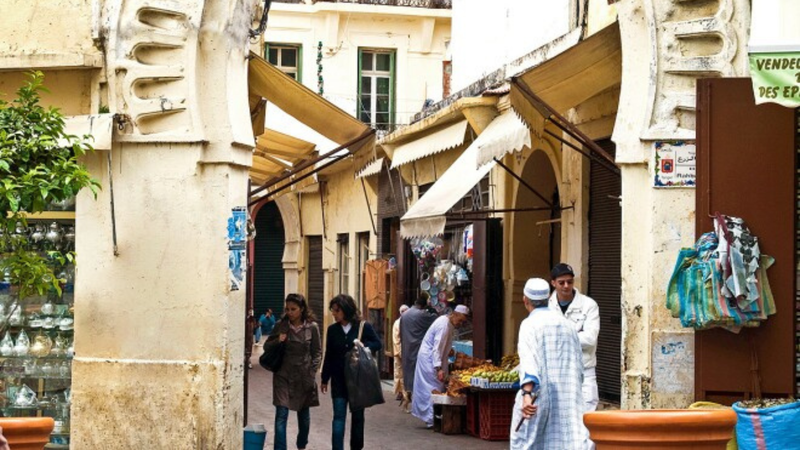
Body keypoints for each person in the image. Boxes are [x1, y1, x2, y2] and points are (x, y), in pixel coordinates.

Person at [511, 277, 590, 450]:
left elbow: (529, 362)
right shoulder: (567, 324)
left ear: (525, 300)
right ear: (548, 298)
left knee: (529, 442)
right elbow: (579, 366)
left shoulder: (529, 325)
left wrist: (526, 395)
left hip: (539, 397)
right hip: (569, 397)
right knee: (566, 442)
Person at [320, 294, 382, 450]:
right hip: (338, 380)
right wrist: (324, 378)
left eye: (336, 311)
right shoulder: (332, 330)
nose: (333, 314)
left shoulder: (363, 327)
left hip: (358, 380)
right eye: (333, 310)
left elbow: (377, 343)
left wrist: (364, 347)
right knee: (339, 417)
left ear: (345, 310)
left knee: (358, 418)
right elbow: (329, 354)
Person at [267, 294, 322, 450]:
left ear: (302, 309)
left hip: (304, 376)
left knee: (303, 416)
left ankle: (301, 445)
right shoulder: (280, 325)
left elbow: (317, 352)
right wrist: (278, 340)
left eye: (293, 309)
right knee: (281, 414)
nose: (290, 312)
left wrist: (312, 371)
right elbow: (267, 347)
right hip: (283, 375)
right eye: (287, 309)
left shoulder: (312, 327)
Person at [548, 263, 601, 412]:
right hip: (556, 372)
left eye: (569, 282)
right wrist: (575, 336)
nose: (566, 286)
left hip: (584, 370)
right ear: (553, 283)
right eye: (561, 282)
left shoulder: (589, 305)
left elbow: (590, 339)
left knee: (586, 417)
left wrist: (560, 338)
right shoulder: (547, 307)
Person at [411, 304, 470, 428]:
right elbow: (437, 348)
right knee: (434, 387)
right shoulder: (444, 325)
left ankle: (433, 417)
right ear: (455, 314)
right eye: (460, 320)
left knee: (436, 386)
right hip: (429, 360)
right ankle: (431, 419)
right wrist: (438, 369)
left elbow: (442, 344)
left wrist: (449, 351)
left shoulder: (448, 323)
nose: (460, 324)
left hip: (432, 358)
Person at [400, 295, 438, 404]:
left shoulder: (405, 315)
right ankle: (417, 396)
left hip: (407, 346)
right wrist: (432, 309)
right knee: (418, 372)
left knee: (408, 371)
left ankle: (408, 394)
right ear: (423, 305)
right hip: (418, 347)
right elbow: (436, 318)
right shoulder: (422, 314)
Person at [389, 304, 410, 408]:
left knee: (404, 374)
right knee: (400, 373)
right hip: (401, 353)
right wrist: (400, 353)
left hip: (407, 353)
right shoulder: (398, 323)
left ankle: (405, 393)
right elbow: (396, 340)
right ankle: (402, 393)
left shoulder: (407, 322)